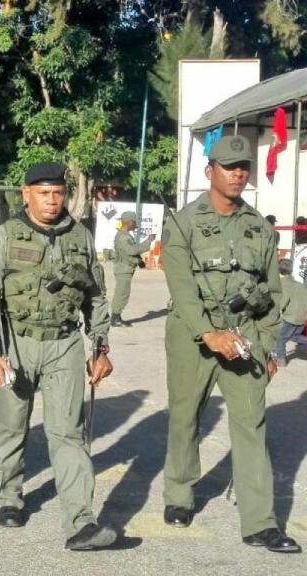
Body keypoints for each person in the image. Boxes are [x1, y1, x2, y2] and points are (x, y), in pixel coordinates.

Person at [161, 135, 300, 553]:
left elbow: (272, 293)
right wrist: (209, 334)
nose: (238, 173)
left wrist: (270, 348)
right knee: (186, 417)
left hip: (244, 337)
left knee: (251, 424)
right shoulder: (182, 223)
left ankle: (260, 522)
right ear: (210, 171)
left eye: (244, 167)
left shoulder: (259, 226)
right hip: (193, 338)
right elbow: (182, 290)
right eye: (229, 166)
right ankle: (180, 495)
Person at [0, 161, 117, 551]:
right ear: (26, 193)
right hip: (16, 344)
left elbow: (96, 297)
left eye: (58, 193)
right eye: (43, 193)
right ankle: (9, 496)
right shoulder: (4, 237)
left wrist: (100, 347)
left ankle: (81, 521)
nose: (52, 201)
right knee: (11, 426)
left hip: (65, 345)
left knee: (69, 433)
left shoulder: (82, 238)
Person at [110, 211, 154, 327]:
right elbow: (132, 251)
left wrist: (139, 262)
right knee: (122, 293)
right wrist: (147, 242)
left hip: (125, 267)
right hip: (123, 269)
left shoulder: (124, 235)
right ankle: (115, 318)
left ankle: (116, 317)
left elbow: (129, 252)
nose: (136, 225)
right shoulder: (123, 237)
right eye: (134, 223)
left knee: (123, 293)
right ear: (129, 222)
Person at [273, 258, 307, 366]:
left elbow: (283, 301)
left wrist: (277, 312)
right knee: (295, 337)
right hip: (302, 317)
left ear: (278, 271)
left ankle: (281, 360)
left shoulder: (283, 283)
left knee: (280, 338)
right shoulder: (300, 284)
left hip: (291, 317)